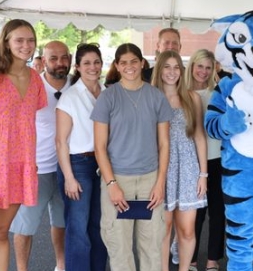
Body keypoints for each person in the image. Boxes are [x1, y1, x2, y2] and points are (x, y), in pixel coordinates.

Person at [91, 43, 172, 271]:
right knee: (119, 248)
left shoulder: (156, 97)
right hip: (117, 180)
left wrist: (160, 182)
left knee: (152, 247)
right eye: (123, 62)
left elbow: (164, 144)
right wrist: (111, 185)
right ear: (117, 65)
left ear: (142, 63)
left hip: (150, 180)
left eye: (134, 61)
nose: (129, 67)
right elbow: (100, 147)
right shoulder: (108, 97)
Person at [0, 19, 47, 271]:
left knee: (1, 233)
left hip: (17, 168)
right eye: (19, 40)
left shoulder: (35, 79)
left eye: (30, 40)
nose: (26, 45)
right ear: (6, 42)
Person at [9, 40, 71, 271]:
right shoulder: (32, 85)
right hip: (35, 169)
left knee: (61, 222)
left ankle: (61, 266)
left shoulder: (76, 86)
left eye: (64, 57)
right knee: (24, 227)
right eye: (53, 58)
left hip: (68, 169)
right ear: (43, 61)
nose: (60, 63)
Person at [152, 50, 208, 271]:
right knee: (163, 230)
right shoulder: (151, 97)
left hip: (187, 169)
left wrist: (203, 174)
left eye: (176, 67)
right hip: (160, 170)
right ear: (159, 69)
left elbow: (199, 137)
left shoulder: (191, 97)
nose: (172, 72)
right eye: (167, 66)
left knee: (186, 230)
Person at [55, 43, 108, 271]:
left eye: (96, 62)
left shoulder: (107, 93)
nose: (92, 67)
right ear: (77, 66)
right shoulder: (69, 97)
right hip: (77, 165)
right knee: (77, 228)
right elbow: (60, 141)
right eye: (86, 63)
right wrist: (68, 177)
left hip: (103, 164)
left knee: (99, 226)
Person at [184, 49, 225, 271]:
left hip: (216, 159)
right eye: (200, 66)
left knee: (217, 212)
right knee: (194, 214)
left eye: (208, 67)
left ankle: (212, 260)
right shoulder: (182, 92)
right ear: (192, 66)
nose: (203, 71)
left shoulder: (218, 93)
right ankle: (190, 258)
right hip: (191, 162)